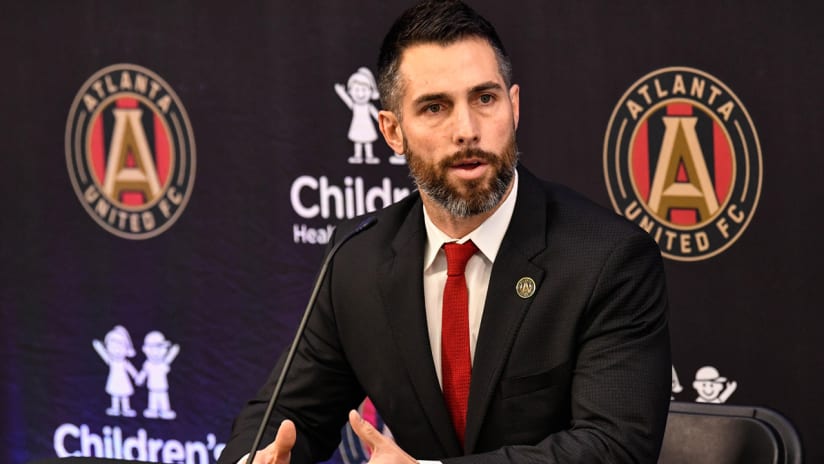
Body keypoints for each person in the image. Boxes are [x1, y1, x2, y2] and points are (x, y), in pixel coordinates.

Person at [219, 1, 671, 462]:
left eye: (485, 99)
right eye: (435, 107)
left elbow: (614, 448)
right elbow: (288, 414)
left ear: (514, 107)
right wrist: (257, 458)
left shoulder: (607, 259)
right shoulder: (356, 257)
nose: (467, 130)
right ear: (392, 131)